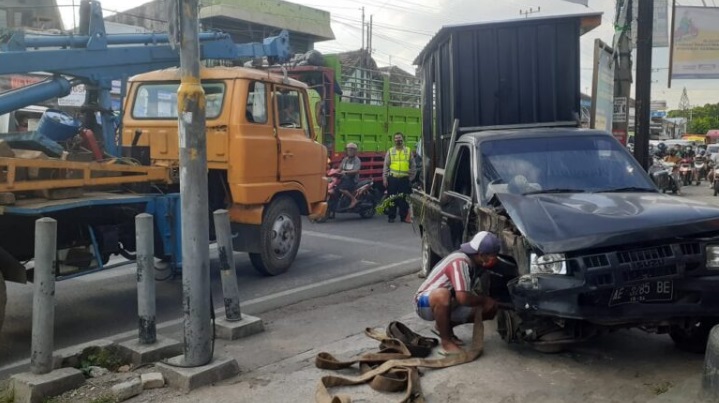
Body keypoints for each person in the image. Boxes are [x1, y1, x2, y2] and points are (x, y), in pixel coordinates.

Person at [415, 231, 500, 355]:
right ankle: (446, 343)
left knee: (489, 309)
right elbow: (463, 298)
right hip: (424, 303)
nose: (492, 259)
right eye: (489, 255)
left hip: (450, 302)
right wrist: (484, 300)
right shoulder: (460, 261)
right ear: (480, 254)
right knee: (442, 295)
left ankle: (444, 328)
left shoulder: (475, 263)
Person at [382, 132, 416, 223]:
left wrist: (411, 178)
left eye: (399, 138)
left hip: (404, 179)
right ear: (394, 140)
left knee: (403, 199)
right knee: (392, 198)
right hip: (392, 178)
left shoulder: (408, 151)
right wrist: (385, 179)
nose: (398, 140)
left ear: (403, 139)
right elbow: (386, 166)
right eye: (396, 138)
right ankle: (391, 216)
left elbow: (413, 166)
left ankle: (403, 217)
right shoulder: (390, 151)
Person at [338, 143, 362, 209]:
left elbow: (356, 171)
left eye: (351, 150)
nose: (350, 151)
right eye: (348, 149)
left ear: (355, 151)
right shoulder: (345, 159)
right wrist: (332, 171)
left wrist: (346, 172)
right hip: (345, 178)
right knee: (335, 188)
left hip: (353, 180)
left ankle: (353, 200)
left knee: (341, 189)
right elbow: (340, 168)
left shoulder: (357, 160)